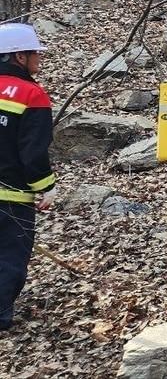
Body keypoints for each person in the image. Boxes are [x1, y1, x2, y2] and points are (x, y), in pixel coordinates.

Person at [0, 24, 56, 331]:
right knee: (9, 260)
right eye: (35, 53)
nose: (39, 59)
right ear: (19, 56)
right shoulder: (31, 95)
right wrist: (45, 188)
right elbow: (33, 152)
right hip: (12, 200)